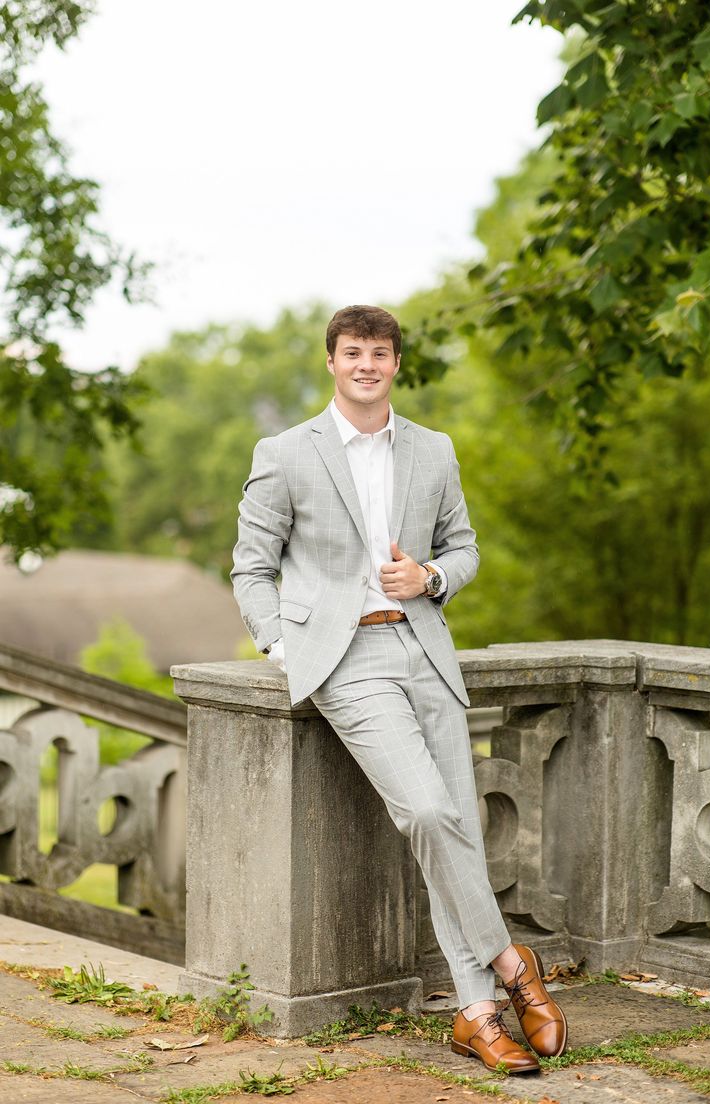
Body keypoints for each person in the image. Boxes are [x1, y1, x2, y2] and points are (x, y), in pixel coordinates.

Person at [230, 304, 567, 1073]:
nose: (366, 365)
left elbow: (465, 546)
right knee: (426, 811)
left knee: (458, 831)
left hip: (425, 646)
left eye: (380, 353)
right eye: (353, 353)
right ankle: (514, 965)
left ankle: (476, 1012)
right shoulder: (285, 453)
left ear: (396, 364)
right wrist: (283, 645)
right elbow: (251, 564)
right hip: (345, 660)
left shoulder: (434, 449)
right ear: (331, 362)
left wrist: (432, 577)